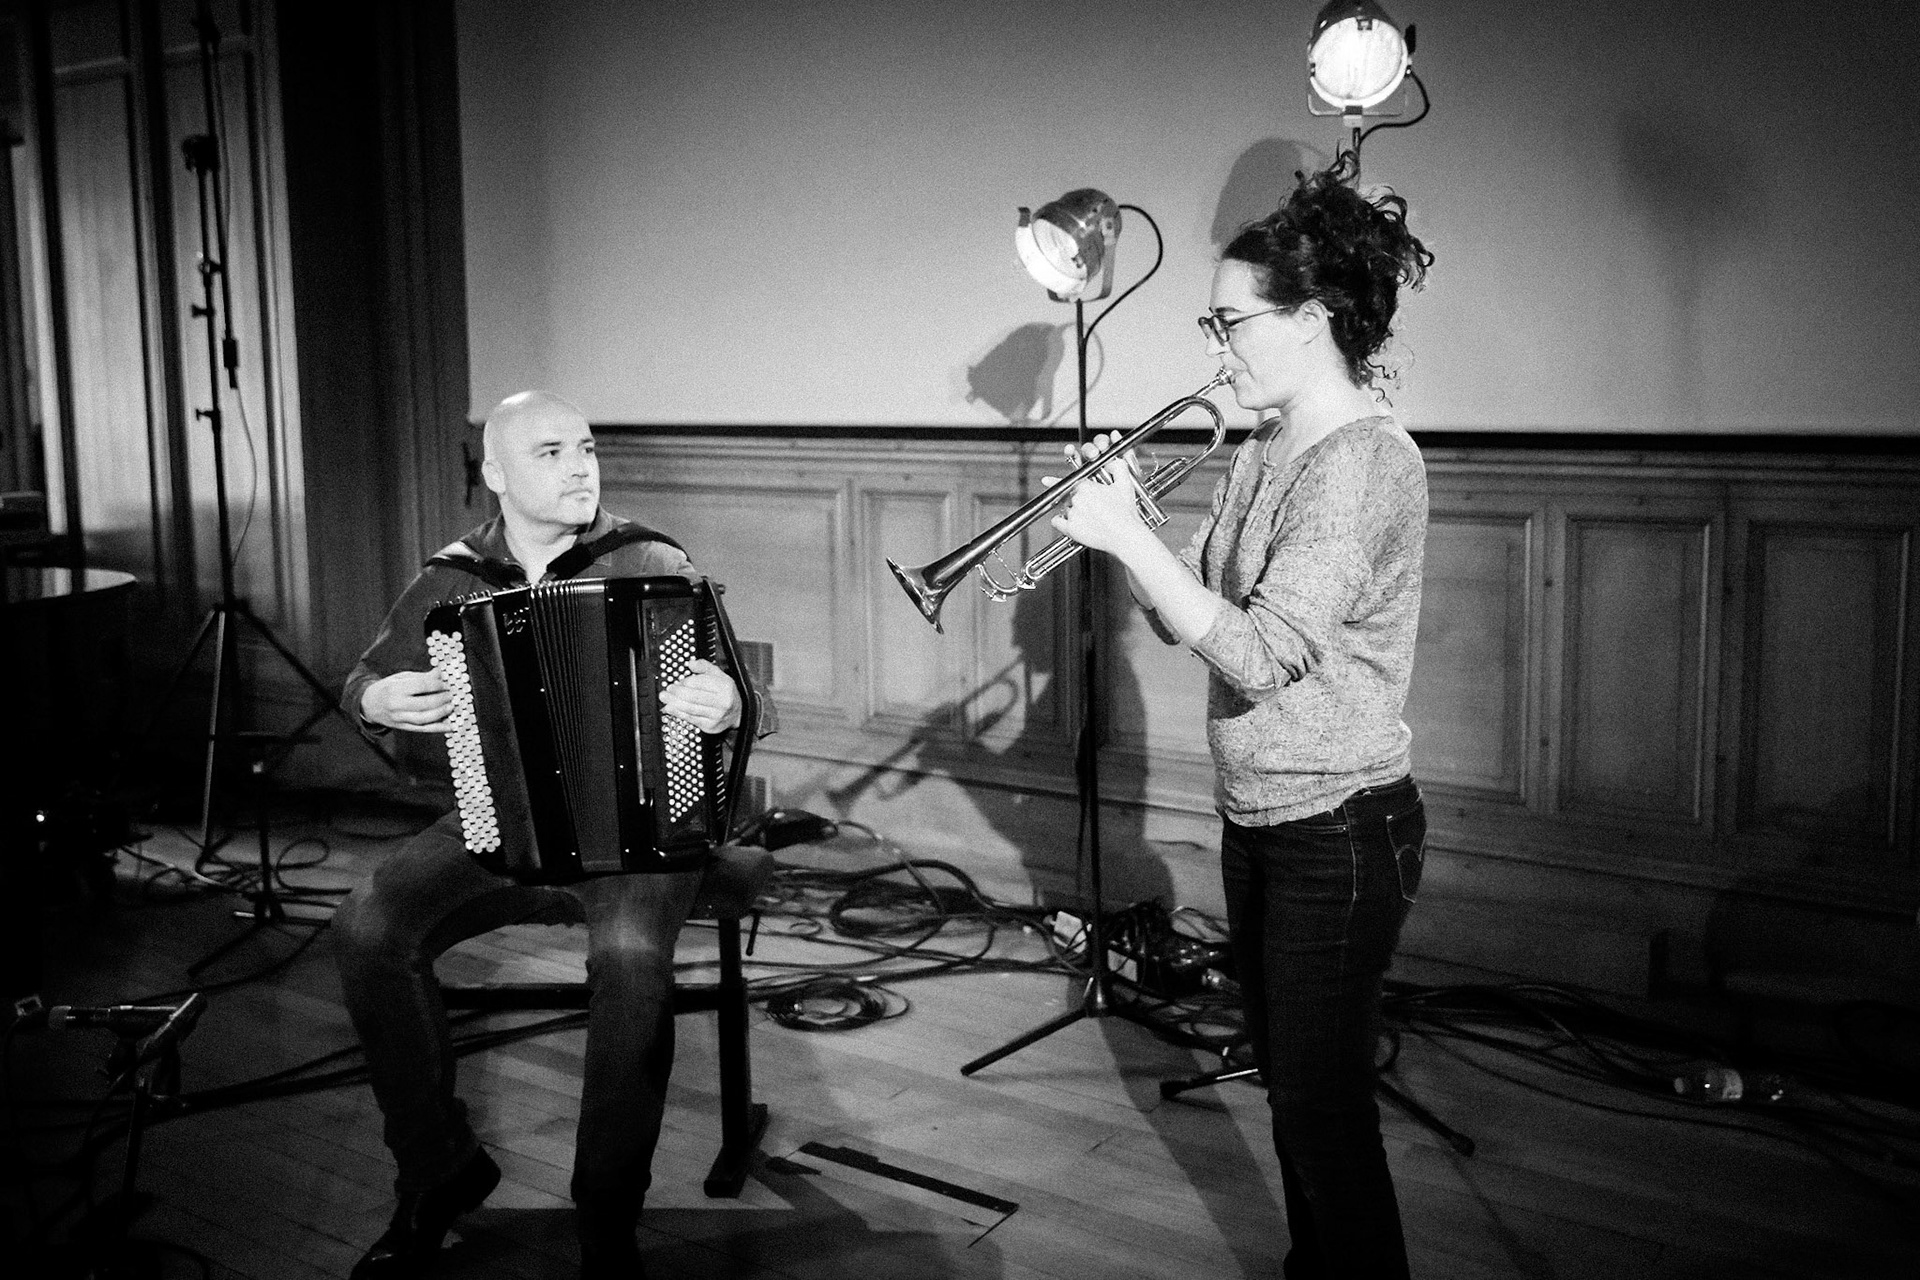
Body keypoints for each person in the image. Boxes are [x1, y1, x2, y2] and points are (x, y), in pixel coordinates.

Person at [1049, 154, 1433, 1280]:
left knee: (1323, 1113)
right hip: (1265, 812)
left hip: (1341, 824)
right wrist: (1130, 536)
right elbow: (1194, 625)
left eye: (1229, 321)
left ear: (1311, 320)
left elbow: (1263, 652)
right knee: (1293, 1088)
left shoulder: (1364, 462)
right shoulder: (1268, 445)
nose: (1214, 346)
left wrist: (1131, 538)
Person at [334, 390, 771, 1279]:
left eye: (586, 448)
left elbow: (743, 691)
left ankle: (607, 1214)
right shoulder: (455, 577)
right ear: (495, 474)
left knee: (627, 958)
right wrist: (376, 699)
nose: (580, 466)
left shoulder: (648, 557)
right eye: (549, 453)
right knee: (367, 927)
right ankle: (439, 1171)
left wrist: (727, 706)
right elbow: (369, 677)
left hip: (643, 832)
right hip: (501, 822)